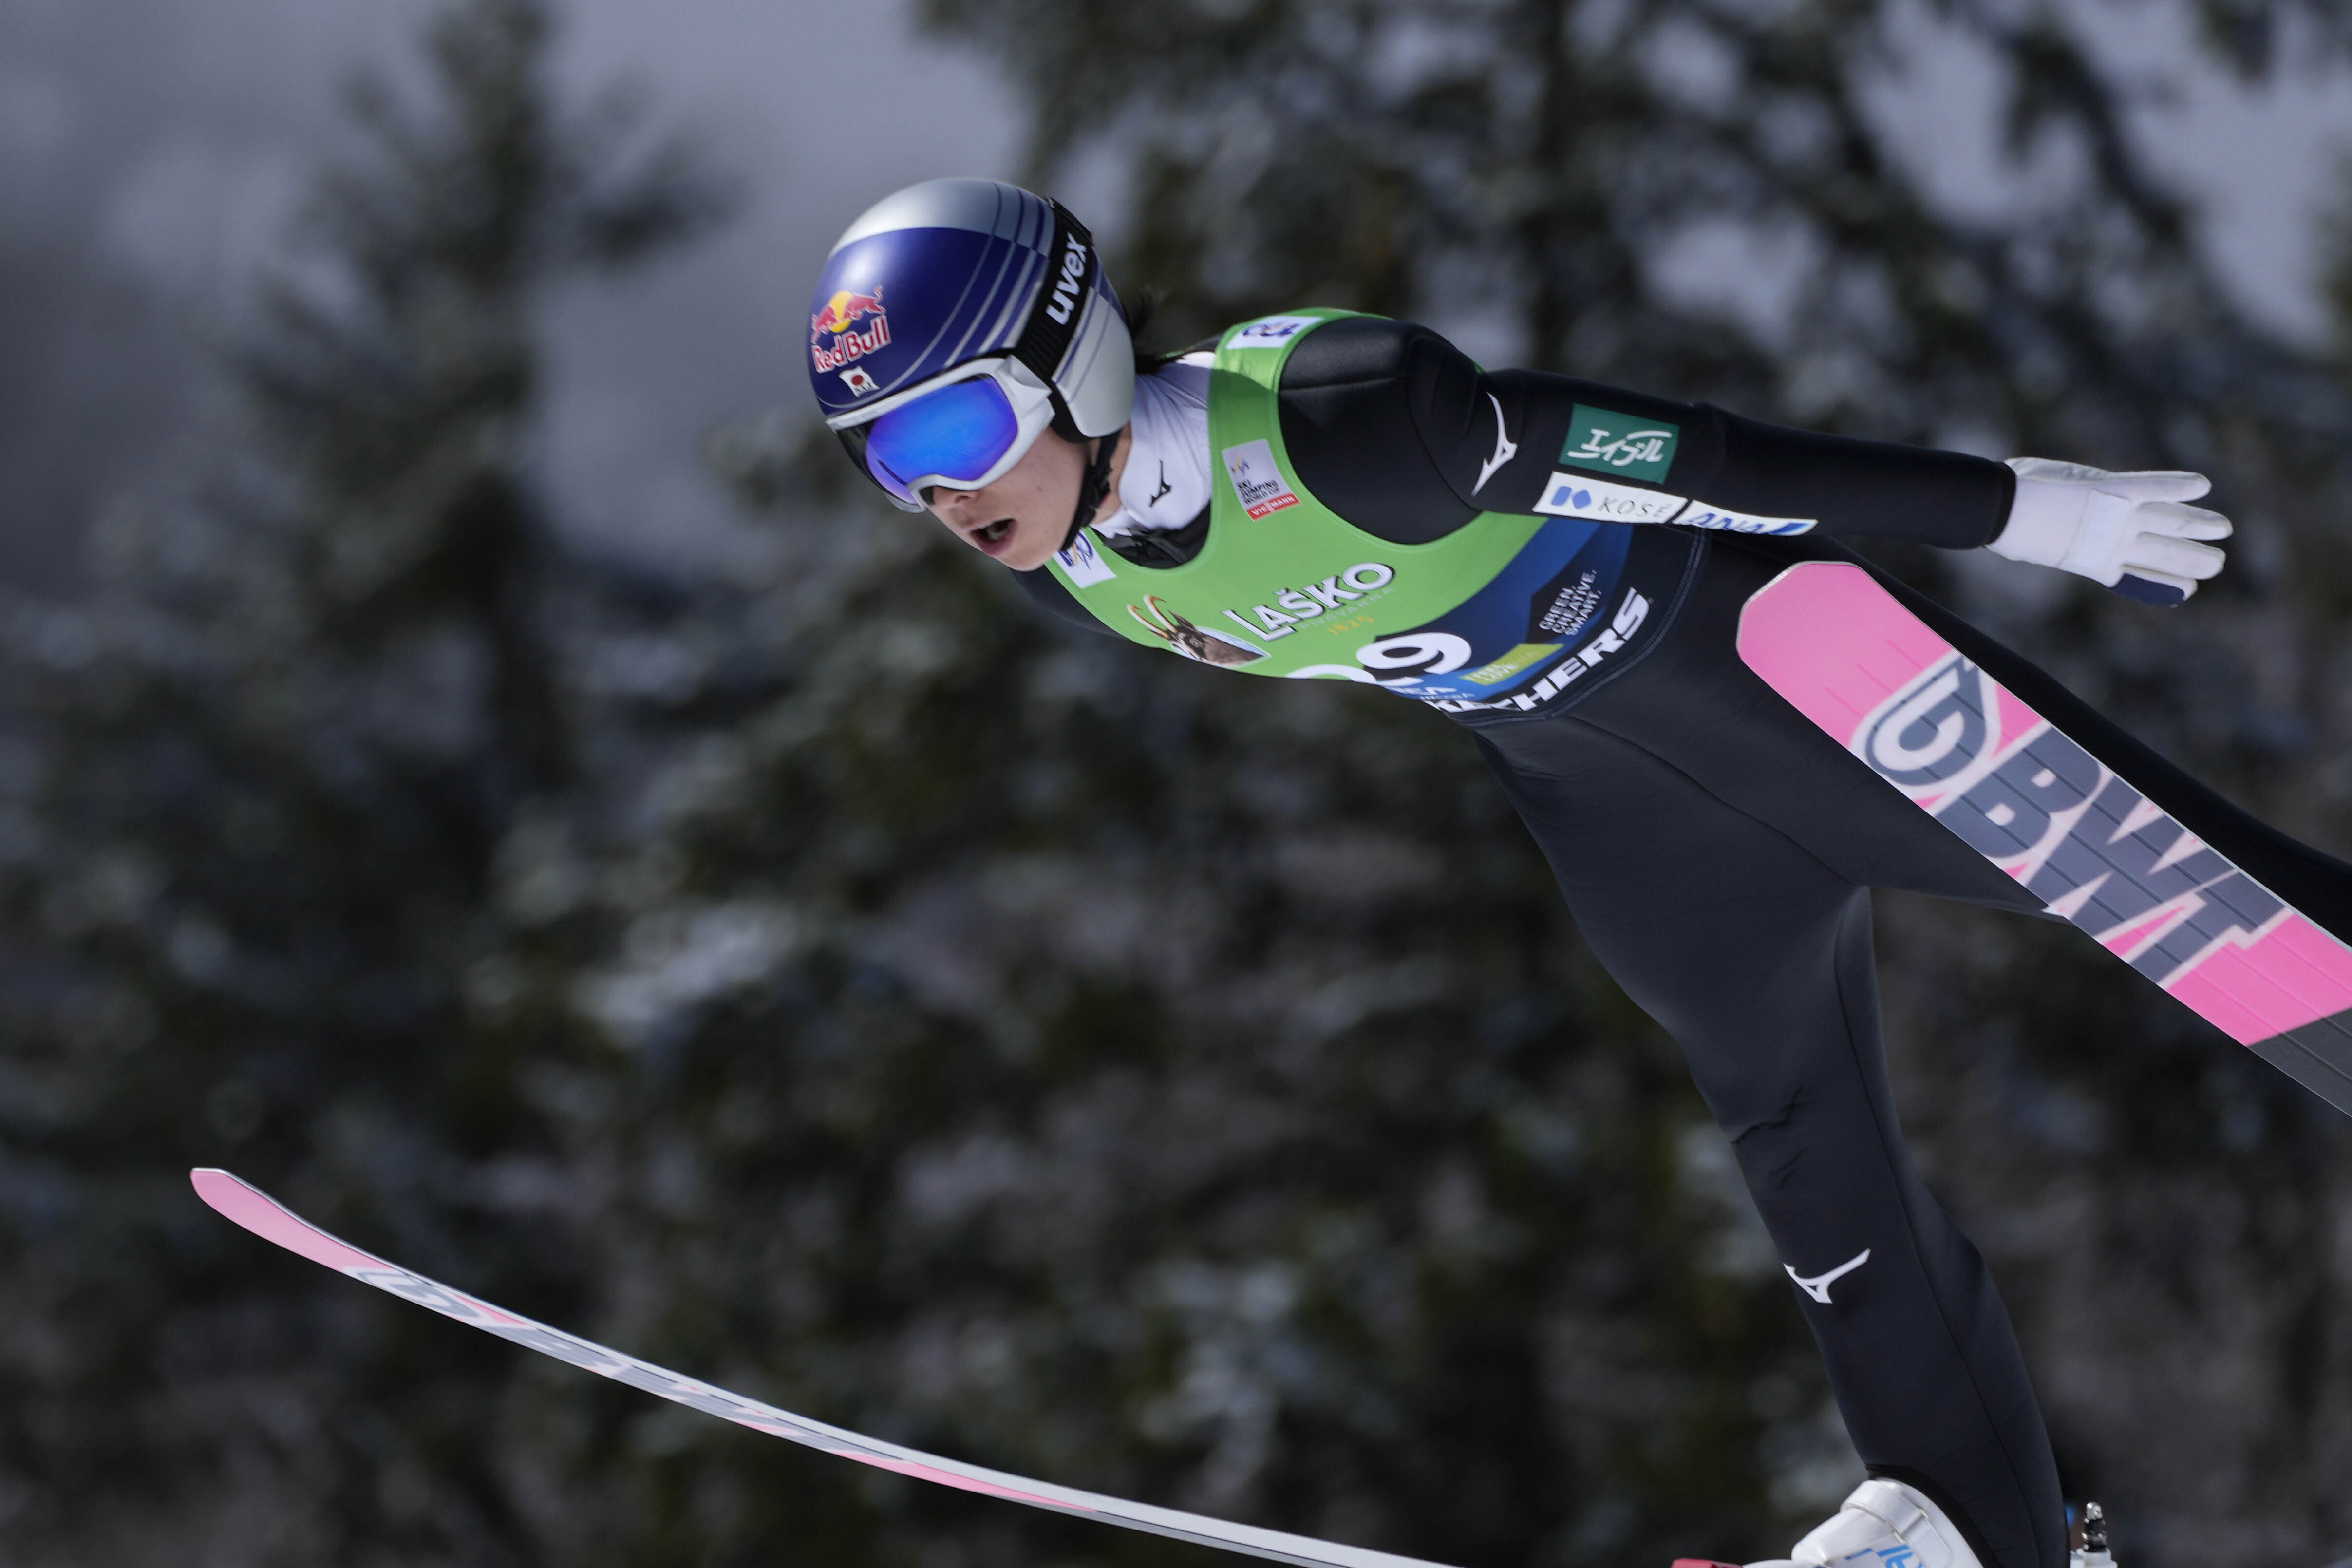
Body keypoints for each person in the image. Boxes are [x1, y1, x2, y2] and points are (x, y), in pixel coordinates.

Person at [803, 177, 2313, 1568]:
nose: (944, 498)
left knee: (2230, 918)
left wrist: (2022, 509)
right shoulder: (1090, 567)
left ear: (1076, 363)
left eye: (955, 437)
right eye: (893, 465)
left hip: (1779, 684)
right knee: (1802, 1137)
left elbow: (1696, 459)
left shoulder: (1341, 418)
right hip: (1615, 807)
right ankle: (1977, 1529)